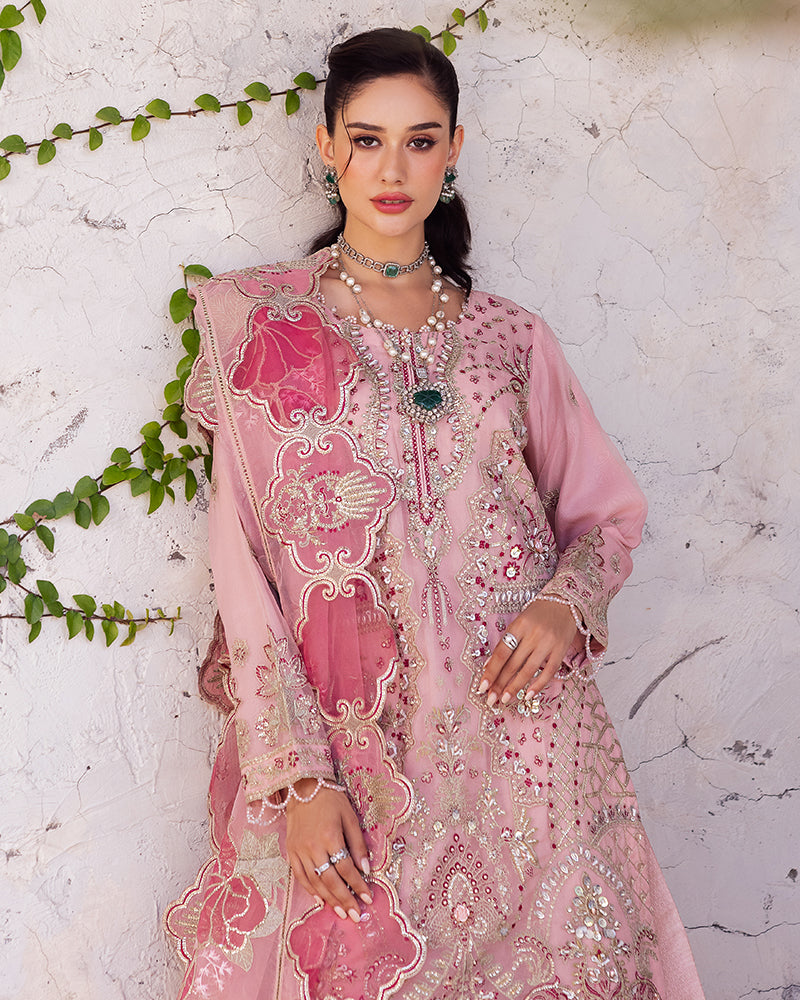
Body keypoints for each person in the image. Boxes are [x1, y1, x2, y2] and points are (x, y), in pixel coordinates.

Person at [166, 27, 706, 1000]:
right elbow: (241, 562)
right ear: (327, 147)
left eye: (419, 140)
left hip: (530, 748)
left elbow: (605, 517)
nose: (392, 168)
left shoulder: (512, 339)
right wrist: (299, 778)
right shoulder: (265, 328)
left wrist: (565, 603)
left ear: (453, 149)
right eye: (366, 139)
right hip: (360, 753)